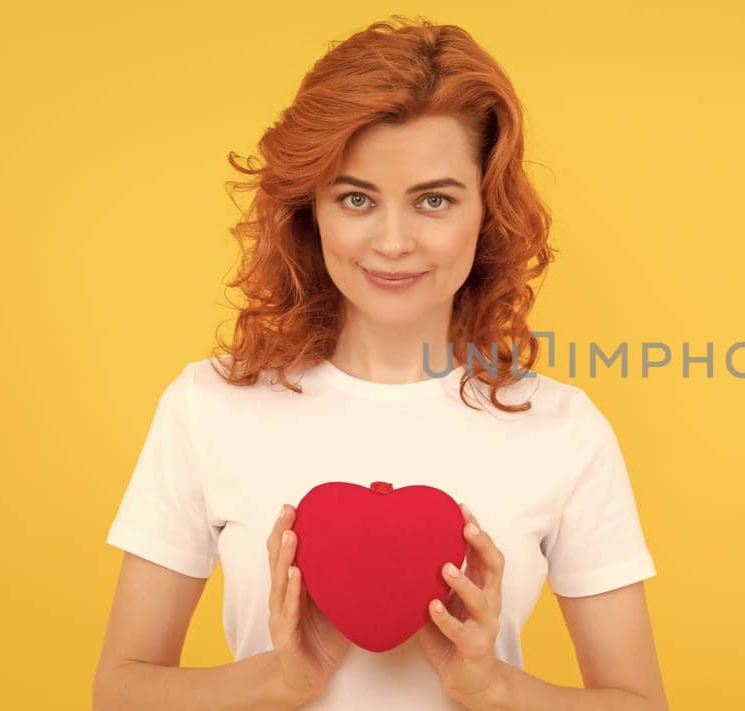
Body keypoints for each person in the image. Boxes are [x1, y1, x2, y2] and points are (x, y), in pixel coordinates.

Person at [91, 17, 668, 710]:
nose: (393, 242)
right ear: (311, 212)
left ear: (488, 211)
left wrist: (493, 686)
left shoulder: (562, 428)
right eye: (357, 198)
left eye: (434, 199)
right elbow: (119, 690)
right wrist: (280, 679)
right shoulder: (207, 405)